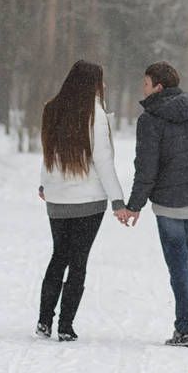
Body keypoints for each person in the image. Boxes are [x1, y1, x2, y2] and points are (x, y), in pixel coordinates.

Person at [116, 61, 188, 348]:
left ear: (159, 87)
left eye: (146, 82)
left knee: (179, 266)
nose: (143, 87)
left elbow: (146, 169)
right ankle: (186, 326)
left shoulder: (150, 119)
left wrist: (134, 205)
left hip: (168, 205)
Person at [37, 59, 125, 341]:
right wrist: (118, 200)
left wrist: (45, 183)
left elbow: (49, 152)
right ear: (93, 84)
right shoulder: (94, 114)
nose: (105, 86)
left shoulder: (51, 110)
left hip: (57, 199)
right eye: (101, 80)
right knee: (78, 261)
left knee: (58, 256)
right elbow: (103, 161)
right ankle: (65, 326)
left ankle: (43, 321)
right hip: (88, 201)